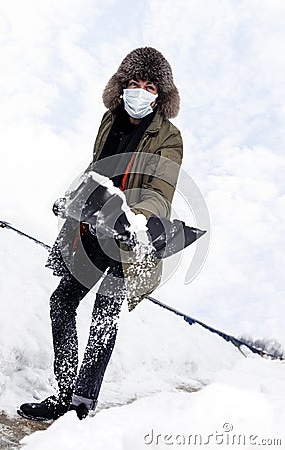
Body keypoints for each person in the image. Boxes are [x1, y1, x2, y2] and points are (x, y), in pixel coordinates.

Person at [17, 47, 183, 421]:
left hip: (128, 237)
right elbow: (96, 171)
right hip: (94, 227)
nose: (140, 91)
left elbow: (161, 189)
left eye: (150, 85)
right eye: (134, 83)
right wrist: (72, 199)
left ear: (161, 95)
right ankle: (63, 394)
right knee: (62, 302)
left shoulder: (168, 138)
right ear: (122, 86)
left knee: (104, 315)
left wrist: (137, 222)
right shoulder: (109, 121)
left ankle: (82, 405)